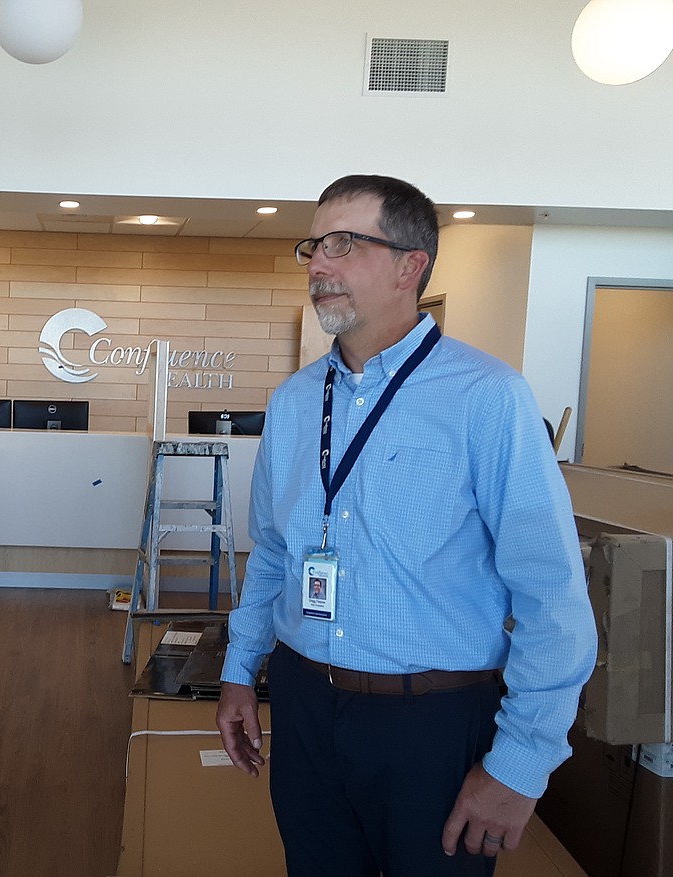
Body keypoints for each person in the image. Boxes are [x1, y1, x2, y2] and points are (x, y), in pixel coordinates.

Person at [216, 174, 597, 877]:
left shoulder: (488, 398)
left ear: (409, 265)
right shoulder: (296, 402)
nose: (317, 264)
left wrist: (519, 765)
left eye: (343, 244)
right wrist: (240, 671)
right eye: (312, 245)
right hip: (304, 705)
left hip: (434, 721)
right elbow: (273, 551)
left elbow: (553, 599)